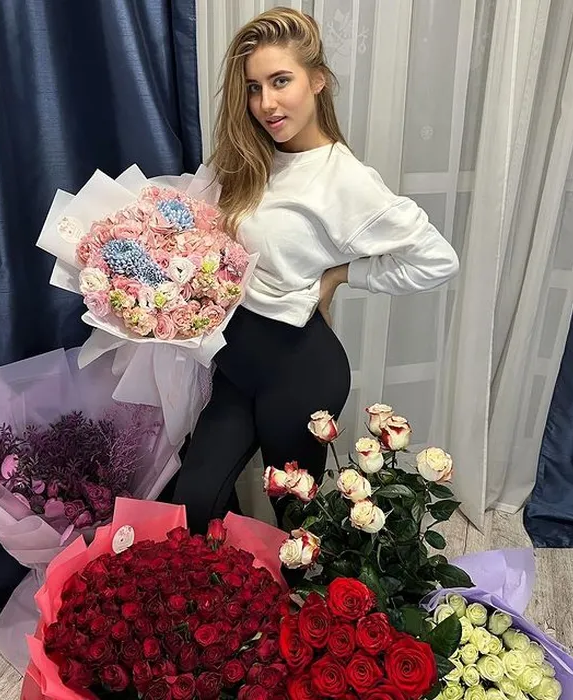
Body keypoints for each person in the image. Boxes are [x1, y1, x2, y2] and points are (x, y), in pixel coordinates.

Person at [171, 7, 459, 533]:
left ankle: (296, 588)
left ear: (318, 80)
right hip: (235, 362)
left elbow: (438, 260)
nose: (266, 103)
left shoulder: (344, 180)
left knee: (294, 527)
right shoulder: (248, 158)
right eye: (254, 88)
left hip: (297, 371)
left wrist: (341, 276)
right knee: (193, 501)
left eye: (281, 81)